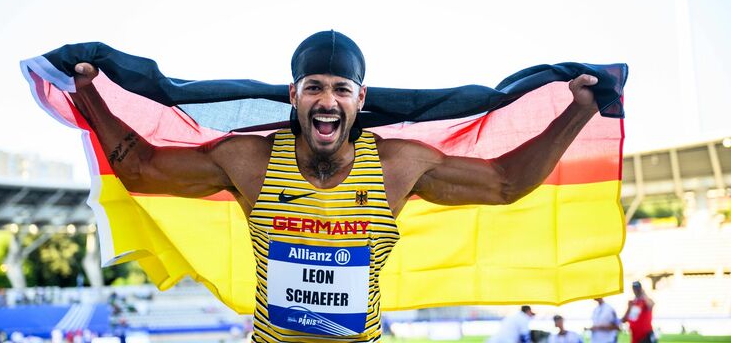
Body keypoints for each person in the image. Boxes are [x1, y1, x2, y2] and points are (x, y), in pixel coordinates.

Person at [68, 30, 602, 342]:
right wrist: (88, 93)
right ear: (293, 95)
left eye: (341, 89)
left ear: (360, 98)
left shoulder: (398, 166)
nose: (327, 100)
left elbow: (505, 183)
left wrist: (579, 111)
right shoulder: (249, 161)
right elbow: (141, 169)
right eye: (314, 88)